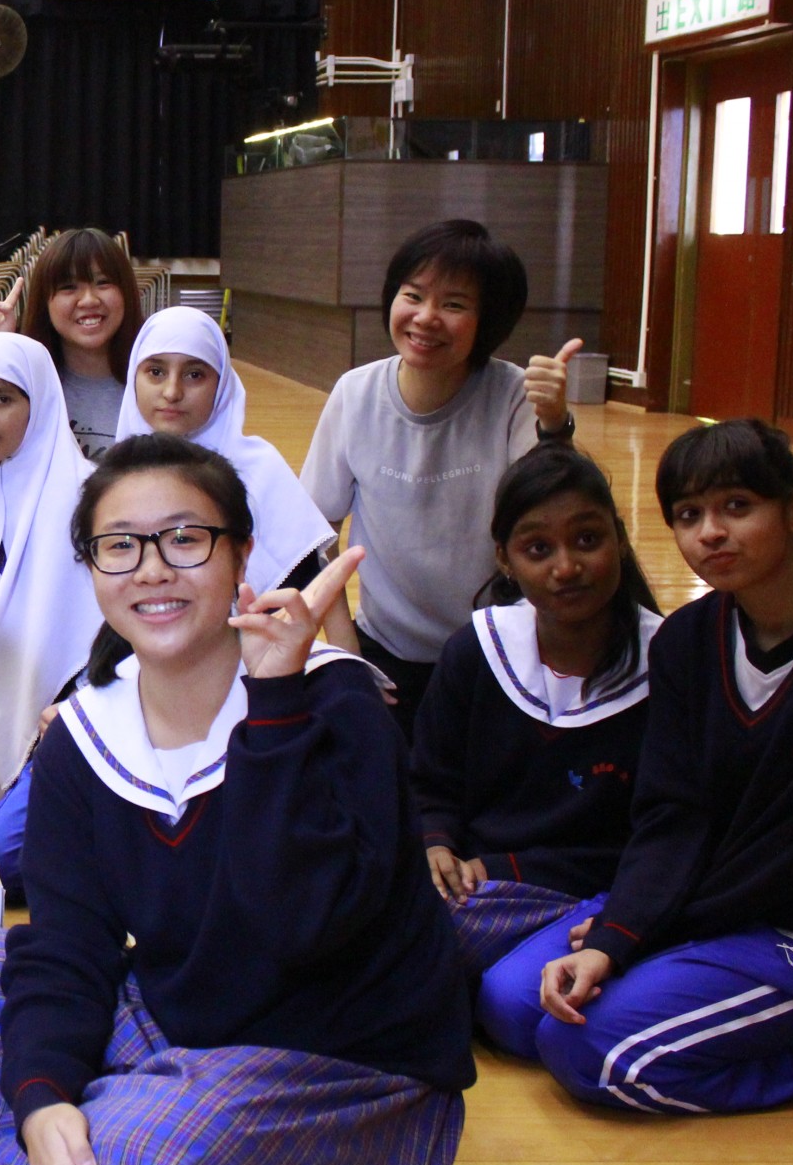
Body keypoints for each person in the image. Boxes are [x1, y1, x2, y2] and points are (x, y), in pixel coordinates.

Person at [0, 435, 471, 1165]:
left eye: (185, 538)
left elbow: (304, 928)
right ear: (91, 568)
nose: (151, 569)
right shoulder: (86, 737)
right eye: (120, 546)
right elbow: (67, 950)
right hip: (180, 1031)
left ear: (242, 553)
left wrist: (274, 705)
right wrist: (44, 1099)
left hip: (346, 1079)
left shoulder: (336, 704)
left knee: (167, 1142)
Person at [534, 420, 793, 1114]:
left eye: (737, 506)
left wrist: (648, 936)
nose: (710, 534)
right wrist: (621, 932)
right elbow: (671, 812)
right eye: (688, 515)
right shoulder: (688, 640)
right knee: (517, 1006)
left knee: (593, 1054)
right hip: (726, 906)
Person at [409, 444, 662, 1056]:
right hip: (479, 887)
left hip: (594, 897)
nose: (566, 567)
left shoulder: (668, 662)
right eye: (538, 548)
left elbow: (659, 832)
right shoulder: (478, 649)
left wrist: (504, 871)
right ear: (505, 559)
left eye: (587, 540)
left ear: (619, 538)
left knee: (508, 1003)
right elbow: (430, 780)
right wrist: (437, 842)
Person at [299, 219, 579, 734]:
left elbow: (552, 514)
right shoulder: (355, 394)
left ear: (488, 321)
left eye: (453, 304)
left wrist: (554, 423)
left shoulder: (513, 396)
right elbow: (314, 535)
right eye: (413, 295)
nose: (426, 317)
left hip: (496, 648)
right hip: (384, 653)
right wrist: (347, 653)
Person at [0, 335, 101, 892]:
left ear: (41, 402)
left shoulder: (87, 496)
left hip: (71, 700)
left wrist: (82, 710)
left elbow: (105, 637)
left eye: (2, 400)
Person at [115, 305, 356, 653]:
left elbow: (317, 577)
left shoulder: (260, 472)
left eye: (194, 374)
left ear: (222, 385)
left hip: (249, 662)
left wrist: (354, 666)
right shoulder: (114, 482)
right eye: (155, 372)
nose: (172, 391)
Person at [0, 228, 144, 470]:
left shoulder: (152, 385)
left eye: (103, 283)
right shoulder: (22, 383)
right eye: (68, 287)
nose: (88, 300)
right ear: (45, 302)